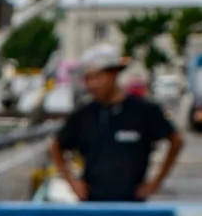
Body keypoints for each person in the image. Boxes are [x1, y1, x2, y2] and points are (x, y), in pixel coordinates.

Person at [51, 43, 184, 202]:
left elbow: (176, 140)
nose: (92, 84)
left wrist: (156, 182)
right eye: (88, 78)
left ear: (114, 74)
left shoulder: (144, 111)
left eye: (98, 77)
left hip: (132, 204)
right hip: (92, 203)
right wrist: (72, 182)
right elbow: (56, 146)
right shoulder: (83, 114)